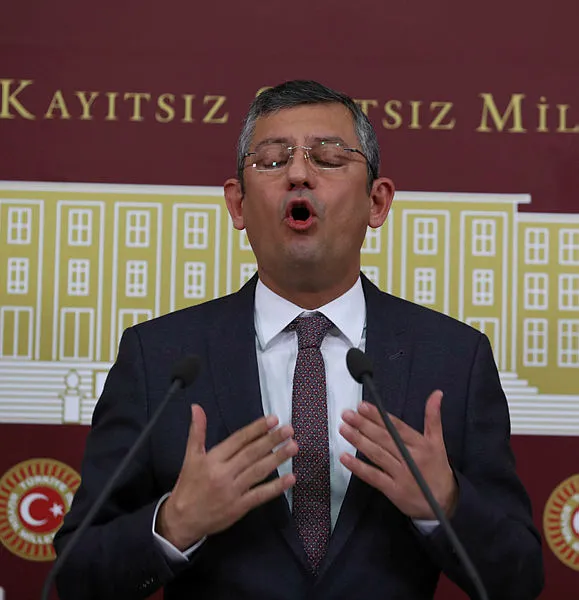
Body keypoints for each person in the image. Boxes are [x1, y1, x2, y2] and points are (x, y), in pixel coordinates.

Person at [54, 80, 543, 599]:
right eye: (271, 160)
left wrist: (445, 505)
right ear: (237, 205)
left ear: (377, 202)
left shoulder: (453, 358)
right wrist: (174, 524)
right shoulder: (159, 359)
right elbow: (76, 576)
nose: (298, 174)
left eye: (329, 158)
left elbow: (519, 578)